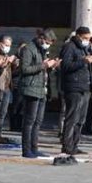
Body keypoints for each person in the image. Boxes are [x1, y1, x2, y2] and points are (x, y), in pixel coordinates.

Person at [16, 29, 58, 159]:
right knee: (29, 120)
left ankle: (34, 148)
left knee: (38, 121)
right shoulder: (28, 49)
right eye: (46, 42)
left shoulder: (42, 50)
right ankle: (26, 149)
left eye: (49, 43)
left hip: (41, 89)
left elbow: (42, 68)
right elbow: (24, 69)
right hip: (31, 88)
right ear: (40, 38)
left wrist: (51, 66)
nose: (47, 45)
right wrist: (43, 65)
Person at [58, 27, 92, 156]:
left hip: (84, 87)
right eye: (85, 38)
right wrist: (83, 61)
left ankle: (74, 144)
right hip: (73, 87)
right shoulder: (70, 47)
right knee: (72, 117)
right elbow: (66, 66)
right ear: (79, 36)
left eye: (89, 38)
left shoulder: (83, 48)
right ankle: (67, 145)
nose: (87, 41)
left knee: (80, 119)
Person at [0, 35, 17, 144]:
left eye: (9, 45)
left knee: (3, 113)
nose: (7, 47)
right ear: (0, 43)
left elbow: (10, 72)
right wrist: (3, 65)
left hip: (7, 87)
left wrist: (13, 64)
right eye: (6, 45)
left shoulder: (6, 54)